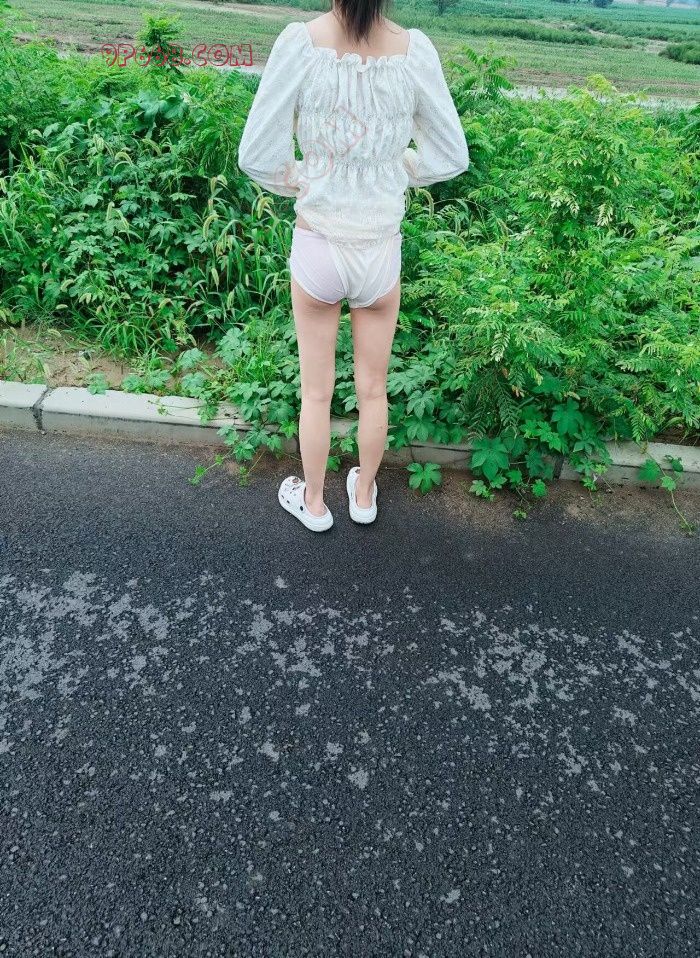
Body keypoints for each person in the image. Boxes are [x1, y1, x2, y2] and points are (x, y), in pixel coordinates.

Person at [238, 1, 469, 532]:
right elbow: (450, 155)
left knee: (316, 391)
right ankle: (363, 496)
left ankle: (315, 503)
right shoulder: (414, 51)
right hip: (379, 249)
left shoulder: (301, 42)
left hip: (317, 242)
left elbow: (257, 154)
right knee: (373, 389)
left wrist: (302, 178)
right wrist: (400, 166)